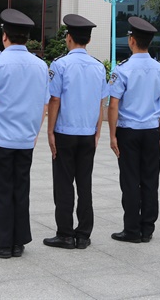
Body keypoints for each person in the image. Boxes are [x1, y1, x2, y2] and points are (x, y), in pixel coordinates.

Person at [0, 9, 49, 259]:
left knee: (0, 190)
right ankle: (18, 241)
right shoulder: (40, 65)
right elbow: (44, 105)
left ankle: (2, 244)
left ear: (4, 36)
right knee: (20, 189)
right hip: (25, 139)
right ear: (26, 38)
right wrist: (35, 133)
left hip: (0, 138)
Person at [43, 15, 108, 250]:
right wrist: (98, 132)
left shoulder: (60, 65)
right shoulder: (99, 67)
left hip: (64, 132)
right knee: (85, 184)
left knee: (63, 184)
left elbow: (54, 100)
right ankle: (83, 235)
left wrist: (50, 131)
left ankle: (65, 234)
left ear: (69, 38)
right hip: (88, 133)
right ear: (88, 40)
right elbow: (101, 103)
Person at [108, 16, 160, 243]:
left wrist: (112, 134)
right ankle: (148, 229)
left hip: (129, 131)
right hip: (151, 131)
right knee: (150, 181)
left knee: (130, 181)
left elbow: (113, 104)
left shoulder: (122, 70)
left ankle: (132, 229)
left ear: (132, 41)